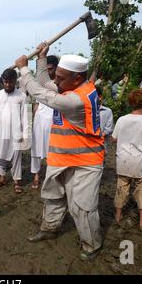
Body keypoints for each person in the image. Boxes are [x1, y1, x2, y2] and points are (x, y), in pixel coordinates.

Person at [16, 42, 105, 260]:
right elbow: (47, 84)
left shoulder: (75, 99)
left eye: (61, 77)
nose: (56, 80)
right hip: (62, 156)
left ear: (77, 78)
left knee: (82, 206)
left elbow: (41, 93)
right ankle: (49, 229)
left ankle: (91, 244)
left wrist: (23, 69)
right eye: (57, 75)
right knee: (53, 196)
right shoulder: (74, 87)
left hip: (86, 160)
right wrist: (42, 59)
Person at [112, 89, 142, 231]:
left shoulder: (122, 119)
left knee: (122, 187)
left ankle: (118, 215)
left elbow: (114, 139)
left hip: (123, 160)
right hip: (141, 162)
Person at [0, 68, 29, 194]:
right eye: (5, 82)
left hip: (16, 132)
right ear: (2, 81)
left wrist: (25, 134)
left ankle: (17, 181)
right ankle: (2, 178)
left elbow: (25, 116)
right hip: (0, 131)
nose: (7, 85)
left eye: (10, 82)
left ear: (15, 81)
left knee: (16, 156)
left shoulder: (21, 96)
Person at [31, 55, 58, 189]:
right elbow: (36, 103)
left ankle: (50, 177)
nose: (48, 72)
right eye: (46, 69)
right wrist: (35, 118)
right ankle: (36, 175)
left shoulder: (59, 84)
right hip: (40, 119)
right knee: (36, 149)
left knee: (51, 150)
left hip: (54, 120)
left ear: (56, 68)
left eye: (51, 69)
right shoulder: (40, 82)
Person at [96, 86, 113, 153]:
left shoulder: (107, 111)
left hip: (101, 146)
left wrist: (99, 136)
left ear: (100, 97)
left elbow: (108, 129)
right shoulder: (84, 110)